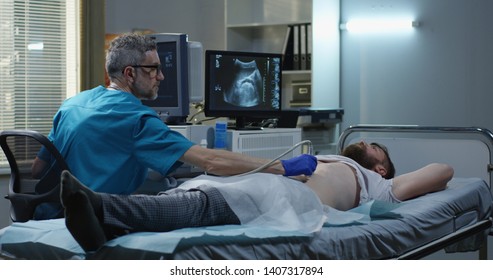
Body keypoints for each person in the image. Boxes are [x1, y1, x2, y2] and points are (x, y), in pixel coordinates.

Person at [32, 32, 316, 198]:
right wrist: (283, 167)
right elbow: (211, 160)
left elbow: (38, 169)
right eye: (153, 69)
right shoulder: (137, 119)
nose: (161, 76)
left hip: (56, 212)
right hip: (102, 215)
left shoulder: (72, 104)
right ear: (129, 73)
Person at [59, 140, 454, 252]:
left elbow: (444, 171)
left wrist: (386, 176)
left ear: (381, 167)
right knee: (200, 190)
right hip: (266, 182)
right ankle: (104, 225)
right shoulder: (329, 152)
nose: (367, 142)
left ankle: (102, 206)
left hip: (289, 198)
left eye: (377, 148)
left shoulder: (379, 184)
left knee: (202, 205)